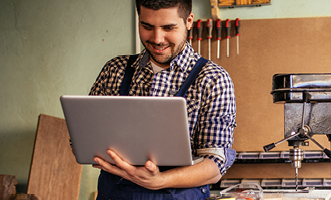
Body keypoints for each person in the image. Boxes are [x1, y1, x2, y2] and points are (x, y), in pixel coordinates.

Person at [88, 0, 236, 199]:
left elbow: (215, 164)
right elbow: (85, 141)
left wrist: (159, 181)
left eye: (168, 28)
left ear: (189, 21)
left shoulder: (213, 79)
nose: (157, 39)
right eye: (147, 27)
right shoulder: (115, 70)